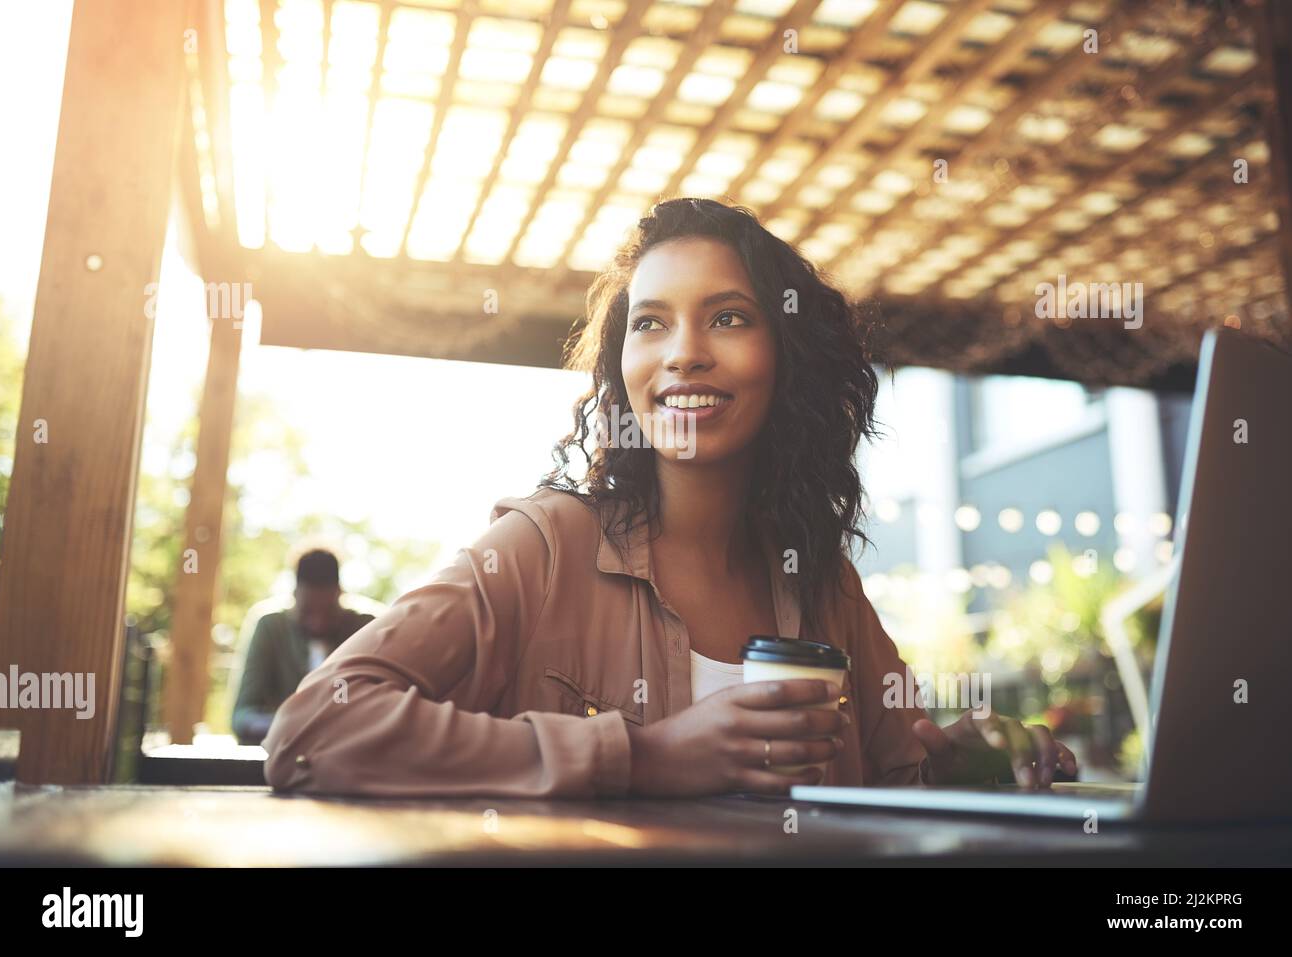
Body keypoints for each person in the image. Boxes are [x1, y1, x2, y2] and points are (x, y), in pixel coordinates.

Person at [261, 198, 1078, 797]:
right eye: (650, 324)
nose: (684, 354)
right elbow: (312, 730)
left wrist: (976, 760)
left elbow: (902, 783)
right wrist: (645, 755)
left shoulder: (824, 585)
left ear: (786, 356)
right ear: (622, 365)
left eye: (727, 317)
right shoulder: (543, 550)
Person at [230, 548, 376, 745]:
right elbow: (242, 715)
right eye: (308, 611)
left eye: (328, 611)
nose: (318, 622)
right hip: (282, 754)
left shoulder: (364, 627)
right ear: (294, 595)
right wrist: (290, 724)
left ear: (340, 595)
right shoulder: (271, 628)